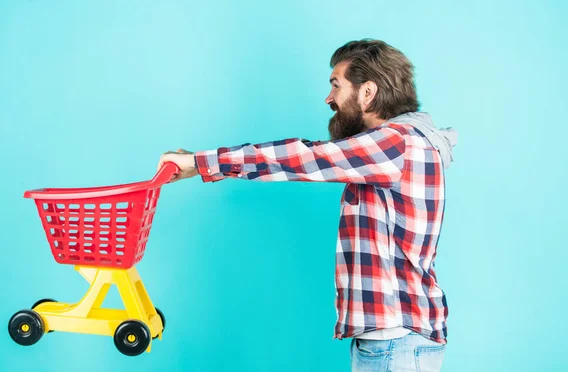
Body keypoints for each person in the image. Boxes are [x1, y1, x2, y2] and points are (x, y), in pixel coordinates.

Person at [157, 39, 458, 372]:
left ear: (368, 92)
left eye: (336, 85)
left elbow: (306, 158)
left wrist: (201, 162)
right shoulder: (398, 146)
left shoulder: (397, 143)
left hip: (395, 341)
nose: (329, 98)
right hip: (395, 340)